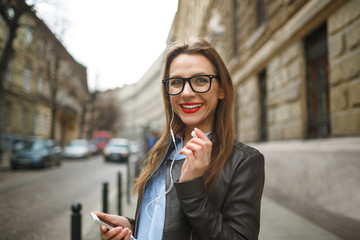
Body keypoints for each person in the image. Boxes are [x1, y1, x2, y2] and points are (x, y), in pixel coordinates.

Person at [94, 37, 265, 240]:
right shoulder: (160, 152)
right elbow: (167, 221)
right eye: (176, 82)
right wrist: (133, 227)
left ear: (222, 89)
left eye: (201, 80)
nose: (186, 93)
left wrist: (192, 186)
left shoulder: (243, 161)